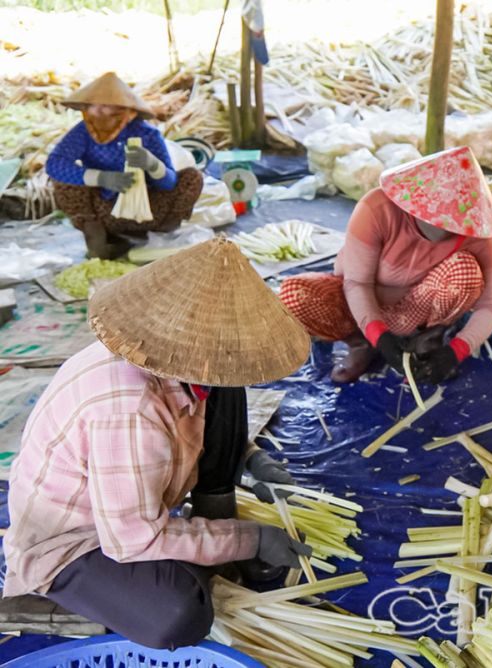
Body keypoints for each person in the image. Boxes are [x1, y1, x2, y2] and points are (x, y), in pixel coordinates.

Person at [3, 238, 313, 649]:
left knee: (227, 390)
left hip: (134, 509)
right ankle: (191, 562)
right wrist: (249, 538)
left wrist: (251, 459)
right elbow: (133, 540)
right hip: (77, 542)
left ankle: (206, 536)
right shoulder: (130, 409)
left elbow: (203, 426)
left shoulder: (173, 360)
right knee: (179, 613)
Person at [280, 146, 492, 384]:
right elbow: (357, 283)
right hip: (360, 302)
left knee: (466, 271)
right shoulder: (378, 210)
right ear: (416, 203)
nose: (445, 226)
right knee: (295, 293)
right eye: (436, 217)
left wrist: (455, 352)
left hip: (418, 310)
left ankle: (427, 340)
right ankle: (361, 343)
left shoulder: (473, 230)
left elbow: (490, 306)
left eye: (453, 221)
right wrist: (379, 336)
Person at [46, 72, 204, 260]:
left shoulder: (147, 134)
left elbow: (169, 183)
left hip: (150, 211)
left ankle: (161, 235)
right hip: (105, 210)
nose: (97, 114)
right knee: (63, 181)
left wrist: (152, 165)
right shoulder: (84, 133)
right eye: (93, 108)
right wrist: (101, 178)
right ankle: (98, 237)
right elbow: (55, 163)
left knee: (192, 178)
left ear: (127, 113)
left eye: (105, 109)